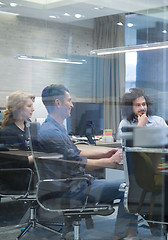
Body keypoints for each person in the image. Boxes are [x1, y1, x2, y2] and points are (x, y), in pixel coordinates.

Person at [37, 84, 137, 240]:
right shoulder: (52, 132)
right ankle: (121, 235)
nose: (72, 105)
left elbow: (76, 153)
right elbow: (79, 162)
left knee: (128, 184)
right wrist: (109, 161)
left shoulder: (54, 128)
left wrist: (105, 152)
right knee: (130, 186)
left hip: (72, 184)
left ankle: (127, 233)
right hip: (74, 188)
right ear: (58, 103)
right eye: (69, 101)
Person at [0, 91, 35, 166]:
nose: (33, 109)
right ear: (18, 108)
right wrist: (28, 160)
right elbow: (6, 163)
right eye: (29, 106)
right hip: (20, 175)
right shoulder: (6, 132)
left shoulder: (29, 125)